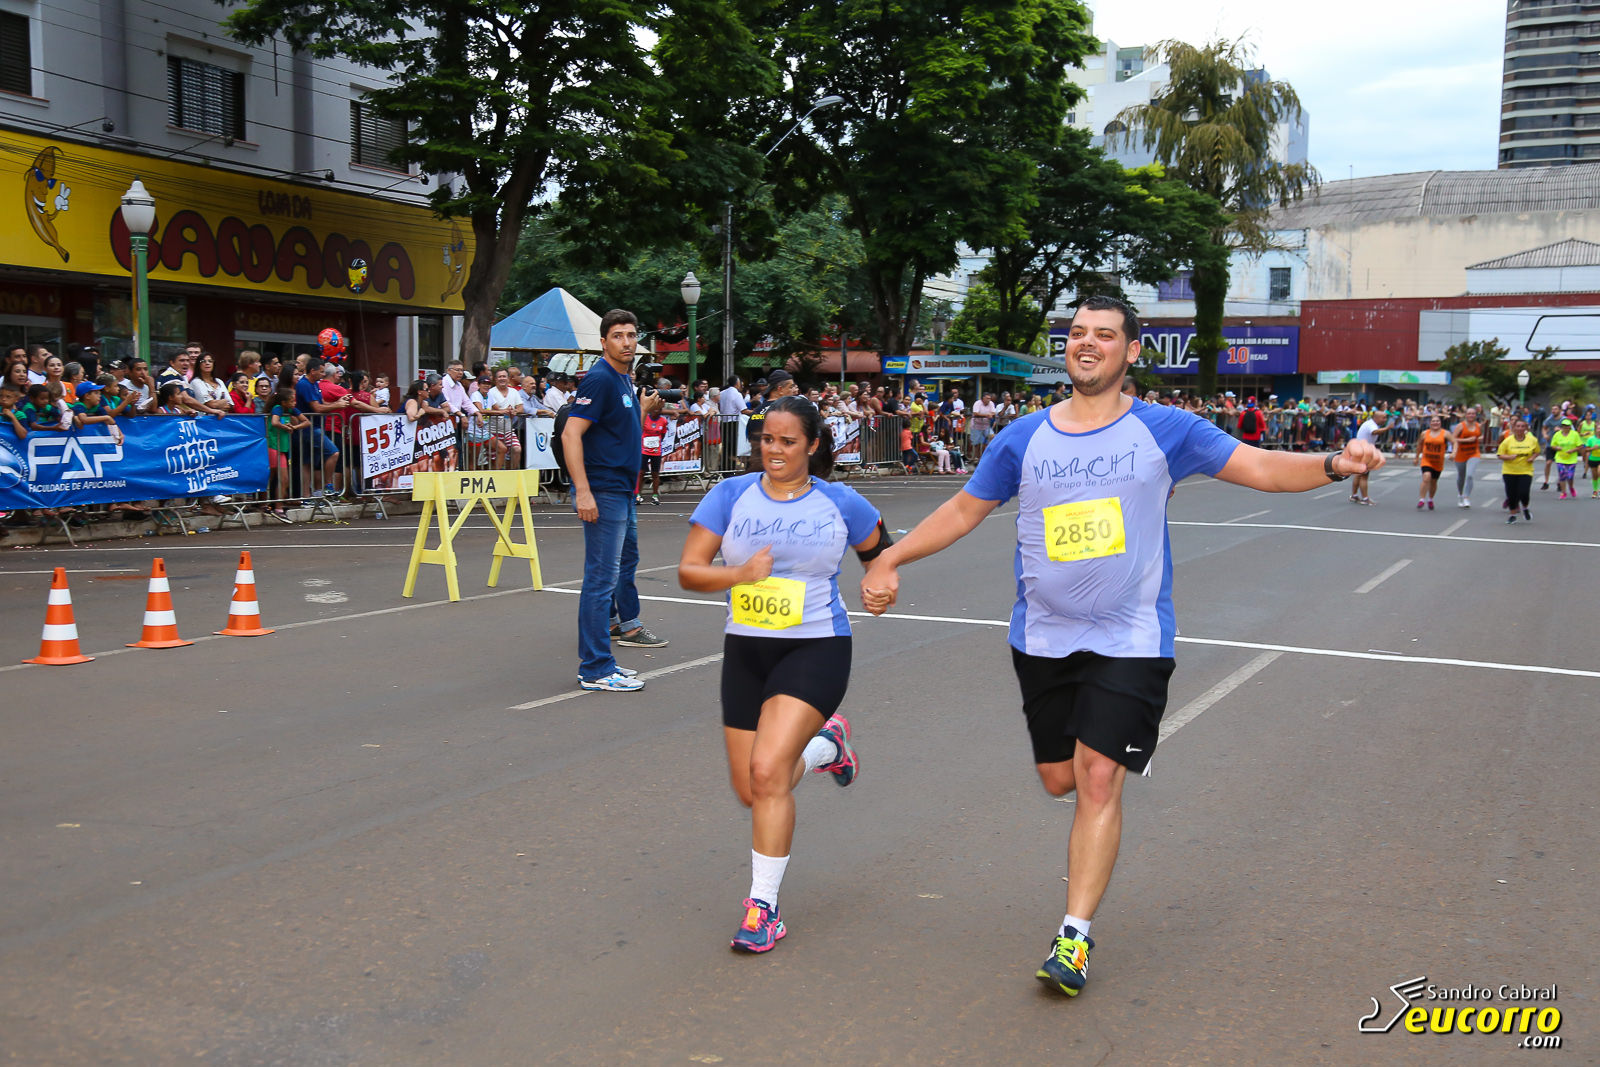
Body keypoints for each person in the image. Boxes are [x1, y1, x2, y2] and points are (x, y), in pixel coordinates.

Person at [857, 296, 1385, 998]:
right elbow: (962, 509)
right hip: (1042, 637)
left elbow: (1259, 467)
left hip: (1130, 636)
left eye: (1104, 335)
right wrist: (890, 558)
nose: (1087, 343)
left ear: (1132, 351)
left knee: (1099, 775)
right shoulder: (1022, 438)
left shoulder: (1166, 429)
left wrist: (1334, 462)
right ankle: (1090, 806)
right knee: (1061, 779)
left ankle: (1073, 937)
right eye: (1077, 332)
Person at [677, 395, 886, 952]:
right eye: (767, 439)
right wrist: (740, 574)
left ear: (812, 445)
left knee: (769, 771)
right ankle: (826, 747)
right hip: (747, 650)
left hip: (816, 647)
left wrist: (880, 583)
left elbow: (880, 554)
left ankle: (763, 909)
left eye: (788, 441)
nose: (774, 450)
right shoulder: (730, 495)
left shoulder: (840, 501)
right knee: (752, 789)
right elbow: (689, 572)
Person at [561, 310, 668, 693]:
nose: (626, 341)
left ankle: (602, 662)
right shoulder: (601, 378)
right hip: (603, 490)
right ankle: (595, 668)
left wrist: (642, 410)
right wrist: (583, 490)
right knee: (600, 580)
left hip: (622, 489)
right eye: (618, 335)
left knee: (620, 567)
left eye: (631, 335)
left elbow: (616, 429)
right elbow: (571, 434)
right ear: (604, 342)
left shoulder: (623, 379)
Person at [1497, 416, 1538, 523]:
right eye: (1518, 426)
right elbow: (1500, 455)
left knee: (1523, 492)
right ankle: (1513, 515)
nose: (1520, 428)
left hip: (1525, 471)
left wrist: (1532, 458)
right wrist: (1509, 457)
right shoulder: (1507, 441)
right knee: (1511, 494)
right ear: (1514, 428)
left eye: (1522, 426)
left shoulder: (1532, 440)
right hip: (1509, 471)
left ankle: (1525, 507)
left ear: (1526, 428)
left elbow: (1537, 451)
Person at [1414, 414, 1454, 510]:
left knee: (1434, 481)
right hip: (1426, 460)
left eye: (1437, 421)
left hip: (1438, 462)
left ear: (1440, 423)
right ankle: (1422, 499)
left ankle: (1430, 499)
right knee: (1426, 477)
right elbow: (1419, 445)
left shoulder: (1445, 433)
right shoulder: (1424, 433)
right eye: (1433, 421)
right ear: (1430, 423)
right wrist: (1416, 457)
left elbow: (1455, 442)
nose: (1435, 423)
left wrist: (1454, 452)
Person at [1351, 409, 1389, 505]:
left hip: (1360, 450)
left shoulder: (1369, 423)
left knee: (1358, 474)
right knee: (1364, 475)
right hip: (1364, 451)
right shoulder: (1372, 425)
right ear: (1376, 418)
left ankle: (1354, 495)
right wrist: (1387, 428)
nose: (1385, 420)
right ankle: (1365, 498)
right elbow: (1375, 432)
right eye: (1383, 418)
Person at [1451, 407, 1482, 507]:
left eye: (1473, 413)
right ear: (1465, 415)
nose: (1471, 415)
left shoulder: (1478, 425)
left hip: (1474, 453)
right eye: (1469, 413)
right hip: (1461, 454)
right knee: (1461, 476)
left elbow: (1480, 436)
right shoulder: (1460, 426)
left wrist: (1480, 438)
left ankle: (1466, 497)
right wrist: (1466, 440)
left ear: (1475, 415)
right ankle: (1460, 494)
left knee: (1470, 475)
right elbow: (1452, 439)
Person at [639, 404, 667, 505]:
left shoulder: (663, 421)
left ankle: (655, 496)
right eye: (654, 409)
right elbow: (640, 430)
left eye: (658, 410)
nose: (655, 411)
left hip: (656, 451)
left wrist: (656, 443)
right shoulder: (645, 418)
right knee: (641, 473)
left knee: (655, 474)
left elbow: (663, 434)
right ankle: (638, 495)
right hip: (644, 450)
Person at [1550, 417, 1583, 499]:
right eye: (1564, 425)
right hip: (1560, 458)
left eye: (1568, 426)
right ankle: (1563, 492)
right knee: (1562, 475)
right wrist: (1557, 448)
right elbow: (1552, 445)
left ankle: (1571, 487)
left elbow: (1580, 446)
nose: (1566, 427)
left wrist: (1572, 450)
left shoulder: (1575, 434)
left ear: (1570, 426)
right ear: (1562, 426)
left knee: (1570, 476)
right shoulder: (1557, 434)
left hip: (1571, 459)